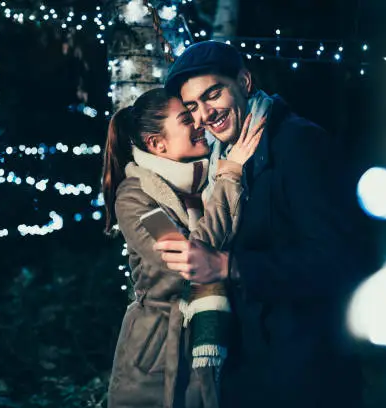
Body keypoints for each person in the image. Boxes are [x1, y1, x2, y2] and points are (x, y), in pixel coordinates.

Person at [157, 41, 365, 407]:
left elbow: (338, 263)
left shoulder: (299, 144)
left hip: (303, 375)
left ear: (245, 82)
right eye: (193, 107)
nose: (205, 114)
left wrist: (228, 266)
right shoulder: (219, 166)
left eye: (213, 94)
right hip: (249, 371)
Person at [102, 87, 264, 408]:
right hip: (157, 360)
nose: (199, 123)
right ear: (157, 143)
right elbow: (190, 261)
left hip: (224, 352)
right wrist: (230, 174)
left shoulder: (206, 185)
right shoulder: (135, 197)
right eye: (186, 119)